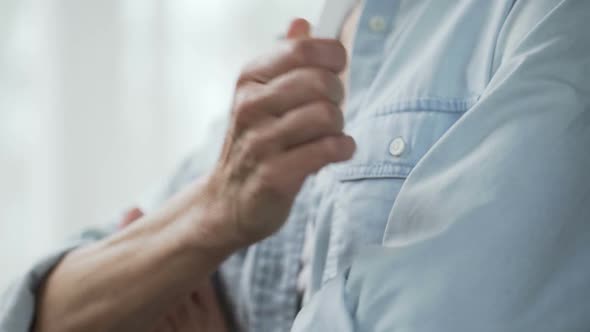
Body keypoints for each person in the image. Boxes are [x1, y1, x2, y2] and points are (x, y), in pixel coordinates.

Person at [2, 0, 590, 331]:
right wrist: (215, 212)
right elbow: (41, 315)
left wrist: (169, 260)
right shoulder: (316, 36)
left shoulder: (549, 20)